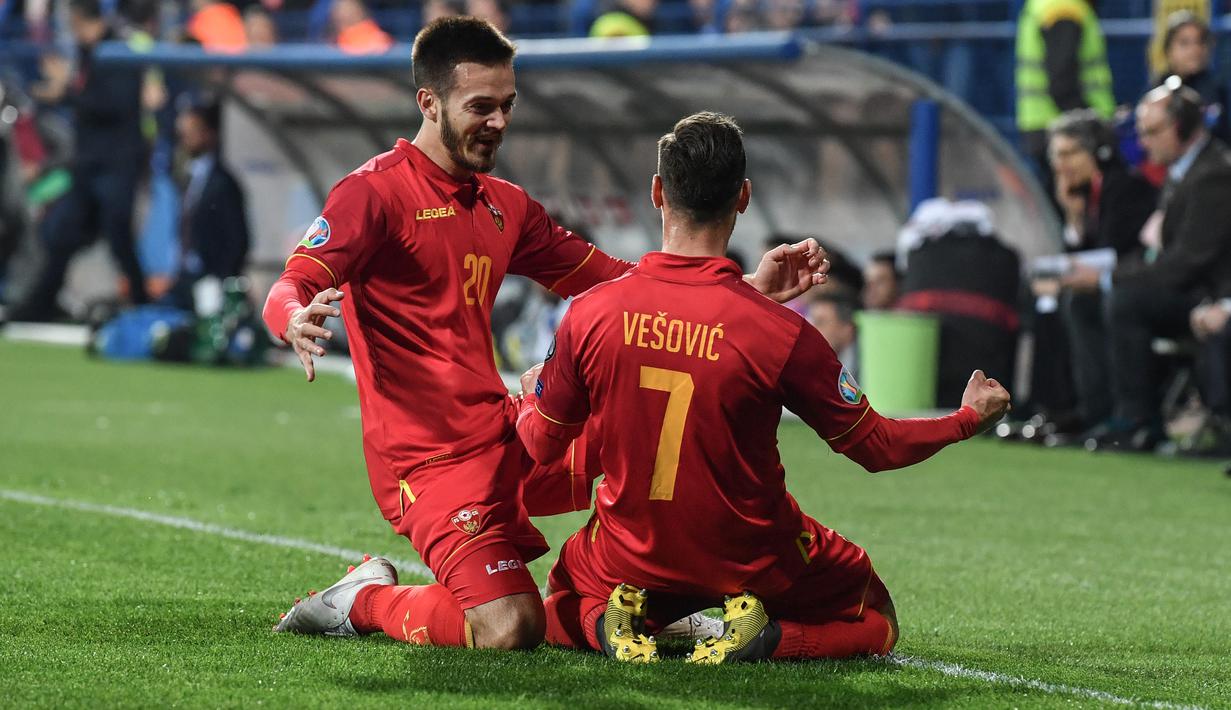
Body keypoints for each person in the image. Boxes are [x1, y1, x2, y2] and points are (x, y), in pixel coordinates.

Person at [264, 18, 827, 652]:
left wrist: (744, 290)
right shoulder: (372, 196)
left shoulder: (506, 205)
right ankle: (363, 599)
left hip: (507, 430)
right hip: (430, 462)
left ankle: (669, 595)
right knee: (509, 629)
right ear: (428, 102)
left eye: (506, 106)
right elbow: (292, 282)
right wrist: (291, 316)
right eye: (480, 107)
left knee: (658, 410)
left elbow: (624, 291)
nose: (499, 122)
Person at [517, 112, 1011, 664]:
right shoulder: (782, 332)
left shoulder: (590, 313)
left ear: (657, 192)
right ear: (744, 197)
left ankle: (608, 628)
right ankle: (768, 639)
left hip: (629, 555)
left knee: (559, 597)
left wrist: (531, 397)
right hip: (751, 558)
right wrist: (967, 418)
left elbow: (538, 445)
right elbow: (877, 447)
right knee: (877, 617)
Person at [1069, 82, 1231, 451]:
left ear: (1183, 128)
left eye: (1152, 132)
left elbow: (1188, 263)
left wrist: (1108, 278)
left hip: (1209, 295)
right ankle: (1099, 415)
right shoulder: (1182, 172)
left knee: (1125, 300)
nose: (1143, 143)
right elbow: (1154, 253)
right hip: (1187, 288)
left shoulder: (1213, 175)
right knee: (1082, 300)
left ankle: (1140, 421)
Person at [10, 0, 148, 322]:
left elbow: (116, 104)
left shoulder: (118, 51)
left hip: (116, 164)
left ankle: (142, 303)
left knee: (119, 238)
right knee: (62, 236)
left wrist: (67, 91)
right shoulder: (93, 52)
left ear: (83, 19)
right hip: (89, 165)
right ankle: (40, 304)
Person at [1036, 110, 1156, 441]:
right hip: (1112, 284)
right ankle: (1055, 406)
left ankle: (1100, 412)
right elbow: (1082, 254)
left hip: (1137, 284)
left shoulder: (1127, 187)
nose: (1060, 165)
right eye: (1055, 156)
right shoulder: (1083, 194)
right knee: (1042, 296)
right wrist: (1073, 217)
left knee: (1077, 301)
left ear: (1099, 151)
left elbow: (1116, 252)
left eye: (1069, 153)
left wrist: (1072, 272)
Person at [1015, 0, 1115, 209]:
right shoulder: (1063, 8)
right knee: (1071, 208)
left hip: (1048, 128)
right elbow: (1062, 82)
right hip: (1065, 135)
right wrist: (1092, 129)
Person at [165, 99, 249, 312]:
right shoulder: (187, 176)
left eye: (192, 132)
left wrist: (221, 279)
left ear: (209, 133)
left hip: (210, 279)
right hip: (184, 276)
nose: (185, 139)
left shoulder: (223, 182)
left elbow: (238, 239)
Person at [1156, 11, 1229, 144]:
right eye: (1184, 43)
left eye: (1200, 42)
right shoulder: (1157, 89)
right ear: (1168, 49)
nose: (1194, 50)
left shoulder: (1218, 89)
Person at [807, 293, 857, 375]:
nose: (811, 329)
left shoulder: (869, 366)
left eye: (820, 322)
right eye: (810, 323)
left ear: (847, 330)